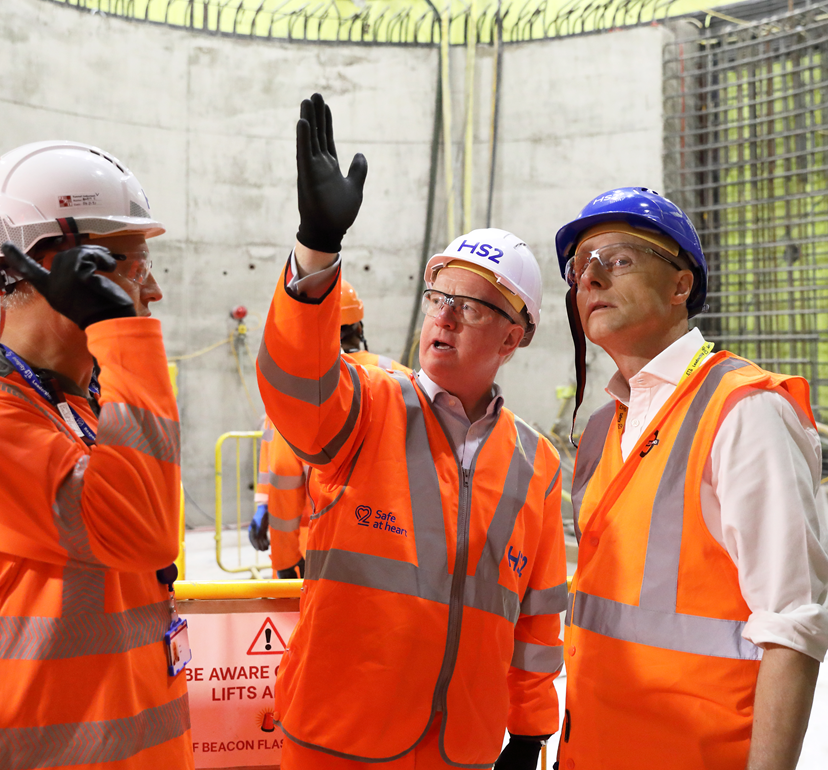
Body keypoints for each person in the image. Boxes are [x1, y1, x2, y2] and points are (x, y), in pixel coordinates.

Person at [255, 93, 567, 770]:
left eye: (470, 307)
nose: (444, 318)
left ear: (513, 336)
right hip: (338, 740)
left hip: (464, 751)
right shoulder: (367, 403)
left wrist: (533, 729)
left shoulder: (537, 463)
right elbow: (291, 383)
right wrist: (316, 251)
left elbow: (537, 619)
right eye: (437, 298)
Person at [0, 141, 192, 769]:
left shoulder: (96, 405)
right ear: (68, 266)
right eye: (134, 264)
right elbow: (143, 533)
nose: (153, 292)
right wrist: (126, 336)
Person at [554, 187, 828, 770]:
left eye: (619, 259)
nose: (592, 279)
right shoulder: (606, 427)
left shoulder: (743, 411)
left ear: (681, 286)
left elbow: (791, 623)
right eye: (581, 267)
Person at [249, 280, 408, 576]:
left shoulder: (301, 391)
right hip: (395, 544)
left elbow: (283, 472)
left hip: (321, 547)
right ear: (358, 327)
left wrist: (284, 560)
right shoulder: (403, 379)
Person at [250, 415, 311, 578]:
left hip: (316, 539)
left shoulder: (288, 407)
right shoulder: (276, 413)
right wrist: (263, 503)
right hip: (304, 539)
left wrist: (285, 562)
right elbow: (270, 463)